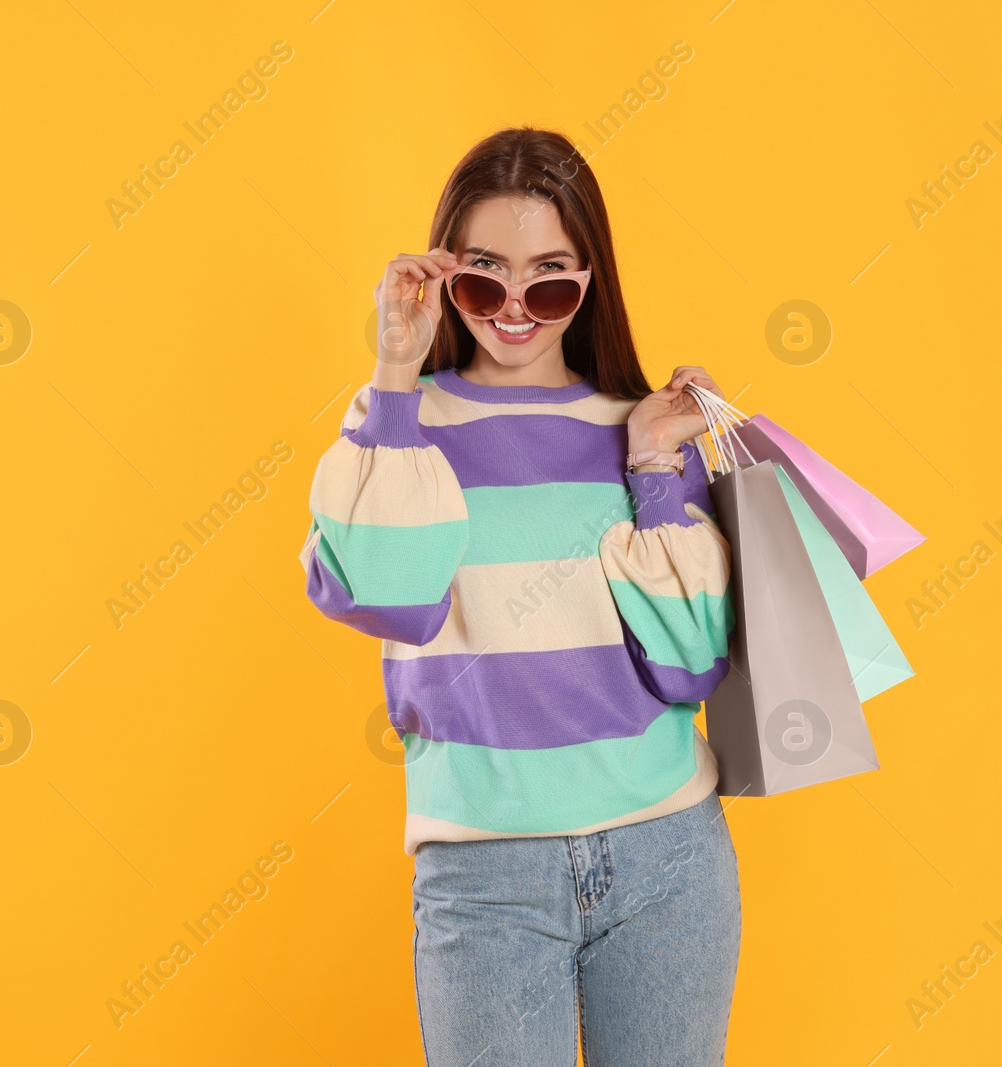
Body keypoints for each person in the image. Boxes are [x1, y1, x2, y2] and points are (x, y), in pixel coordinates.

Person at [300, 126, 741, 1066]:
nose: (512, 307)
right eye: (481, 276)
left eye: (547, 278)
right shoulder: (401, 427)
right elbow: (384, 593)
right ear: (444, 278)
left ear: (588, 282)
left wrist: (657, 464)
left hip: (668, 859)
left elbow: (692, 662)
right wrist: (394, 373)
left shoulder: (641, 426)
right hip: (483, 871)